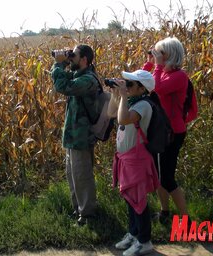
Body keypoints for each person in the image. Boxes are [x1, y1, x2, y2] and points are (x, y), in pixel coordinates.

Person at [142, 37, 195, 225]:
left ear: (170, 55)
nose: (157, 56)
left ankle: (186, 220)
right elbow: (140, 82)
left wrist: (156, 66)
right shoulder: (162, 72)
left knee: (167, 177)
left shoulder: (179, 76)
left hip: (173, 133)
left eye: (160, 53)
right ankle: (165, 212)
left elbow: (157, 88)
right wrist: (149, 63)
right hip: (160, 131)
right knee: (158, 175)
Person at [108, 70, 159, 256]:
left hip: (137, 159)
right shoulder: (133, 101)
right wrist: (116, 95)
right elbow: (111, 113)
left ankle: (145, 241)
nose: (127, 86)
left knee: (139, 200)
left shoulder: (144, 105)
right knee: (130, 199)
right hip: (127, 158)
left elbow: (123, 119)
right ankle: (134, 233)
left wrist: (122, 94)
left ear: (141, 88)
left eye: (130, 84)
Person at [51, 44, 100, 226]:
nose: (70, 58)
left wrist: (58, 64)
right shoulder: (78, 75)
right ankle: (78, 210)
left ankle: (88, 216)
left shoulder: (88, 80)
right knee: (73, 176)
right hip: (73, 137)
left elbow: (63, 86)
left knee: (82, 176)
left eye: (74, 55)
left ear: (84, 60)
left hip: (82, 137)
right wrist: (63, 63)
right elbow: (64, 80)